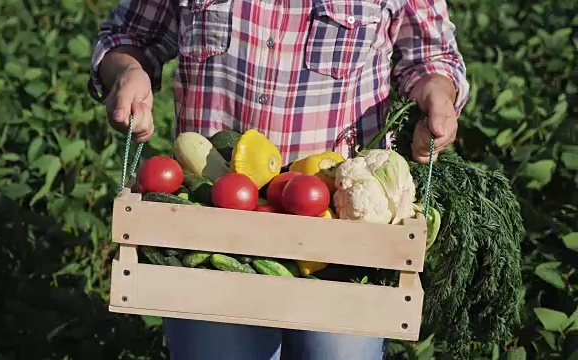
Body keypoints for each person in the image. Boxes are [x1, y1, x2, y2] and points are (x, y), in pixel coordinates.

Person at [89, 0, 469, 359]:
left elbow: (430, 57)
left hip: (345, 239)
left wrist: (437, 93)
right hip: (210, 227)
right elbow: (129, 38)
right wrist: (127, 72)